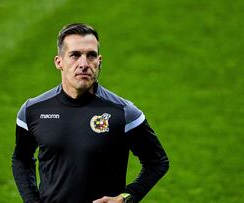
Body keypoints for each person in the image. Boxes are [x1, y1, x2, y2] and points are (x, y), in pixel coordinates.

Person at [12, 23, 169, 203]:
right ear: (59, 62)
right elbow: (21, 160)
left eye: (91, 55)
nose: (84, 64)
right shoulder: (33, 111)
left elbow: (157, 162)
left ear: (99, 61)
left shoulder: (123, 112)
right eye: (75, 55)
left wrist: (126, 197)